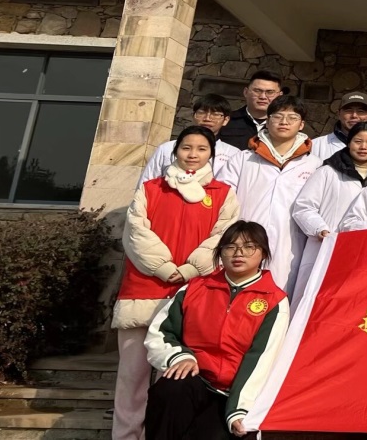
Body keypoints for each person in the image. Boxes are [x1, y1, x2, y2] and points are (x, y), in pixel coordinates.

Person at [112, 125, 239, 440]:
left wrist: (190, 270)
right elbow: (135, 232)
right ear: (175, 151)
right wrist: (163, 267)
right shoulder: (151, 188)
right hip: (143, 290)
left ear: (211, 155)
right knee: (132, 378)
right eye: (186, 147)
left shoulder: (222, 193)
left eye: (201, 149)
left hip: (193, 293)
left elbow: (222, 237)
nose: (193, 154)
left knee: (176, 379)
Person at [144, 221, 288, 439]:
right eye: (230, 247)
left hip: (232, 393)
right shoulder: (194, 289)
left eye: (249, 247)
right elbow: (161, 332)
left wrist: (239, 408)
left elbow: (262, 359)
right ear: (220, 252)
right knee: (169, 389)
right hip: (194, 380)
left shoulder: (274, 300)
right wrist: (180, 357)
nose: (239, 253)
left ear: (263, 253)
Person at [290, 121, 367, 305]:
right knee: (314, 302)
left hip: (364, 253)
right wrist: (320, 230)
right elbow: (303, 206)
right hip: (326, 245)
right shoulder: (328, 172)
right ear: (348, 143)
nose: (363, 147)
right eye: (358, 141)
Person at [232, 95, 319, 296]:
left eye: (292, 117)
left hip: (290, 244)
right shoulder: (243, 159)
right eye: (278, 116)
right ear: (268, 120)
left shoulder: (315, 165)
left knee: (279, 297)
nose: (284, 122)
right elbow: (225, 202)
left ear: (301, 124)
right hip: (242, 241)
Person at [137, 95, 244, 188]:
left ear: (225, 120)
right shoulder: (167, 148)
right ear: (194, 116)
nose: (207, 118)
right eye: (202, 112)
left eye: (215, 114)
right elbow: (146, 183)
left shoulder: (234, 154)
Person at [308, 92, 367, 163]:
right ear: (339, 114)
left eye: (361, 111)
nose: (354, 115)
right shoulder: (316, 145)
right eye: (348, 110)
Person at [217, 71, 284, 151]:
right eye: (257, 91)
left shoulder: (286, 125)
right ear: (246, 92)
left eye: (270, 92)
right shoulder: (225, 121)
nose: (263, 97)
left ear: (280, 96)